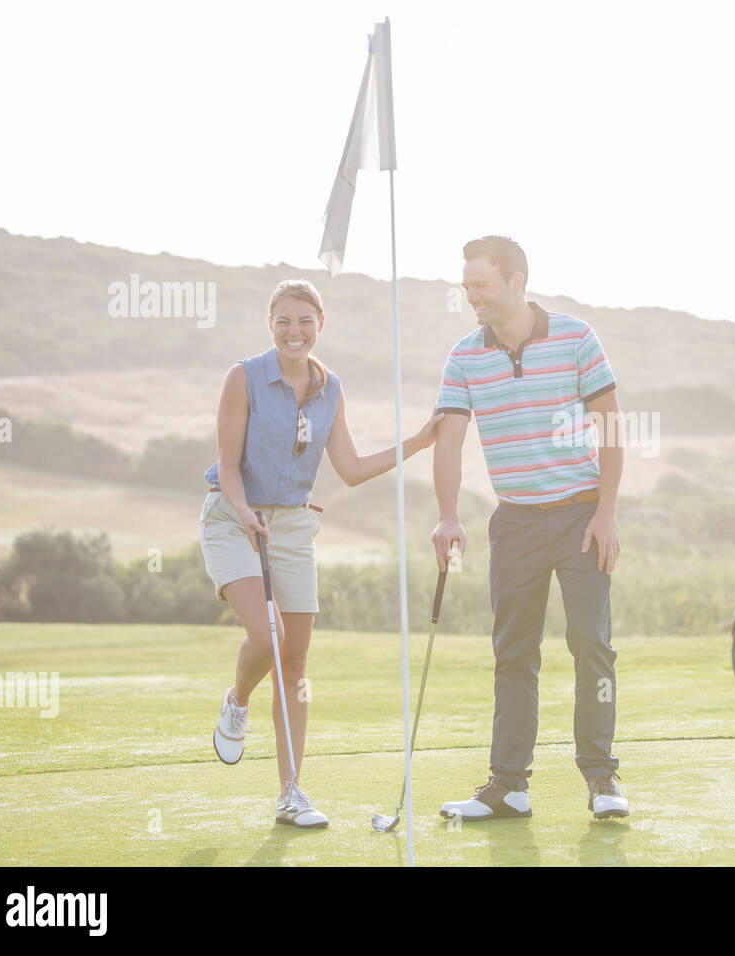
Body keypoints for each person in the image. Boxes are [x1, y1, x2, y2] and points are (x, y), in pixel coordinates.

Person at [199, 278, 441, 828]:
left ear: (320, 326)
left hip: (292, 526)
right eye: (284, 320)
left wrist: (419, 442)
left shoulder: (331, 387)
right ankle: (238, 701)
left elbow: (351, 470)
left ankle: (291, 794)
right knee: (267, 633)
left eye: (305, 321)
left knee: (296, 660)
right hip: (234, 516)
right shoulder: (244, 377)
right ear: (270, 324)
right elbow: (229, 463)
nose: (294, 331)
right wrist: (243, 512)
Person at [431, 236, 628, 821]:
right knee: (513, 652)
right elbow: (448, 437)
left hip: (580, 516)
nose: (471, 297)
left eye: (481, 285)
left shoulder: (574, 337)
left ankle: (601, 776)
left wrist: (607, 510)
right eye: (466, 286)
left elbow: (611, 427)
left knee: (591, 643)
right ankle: (509, 784)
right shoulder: (465, 355)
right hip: (513, 520)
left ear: (517, 281)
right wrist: (447, 515)